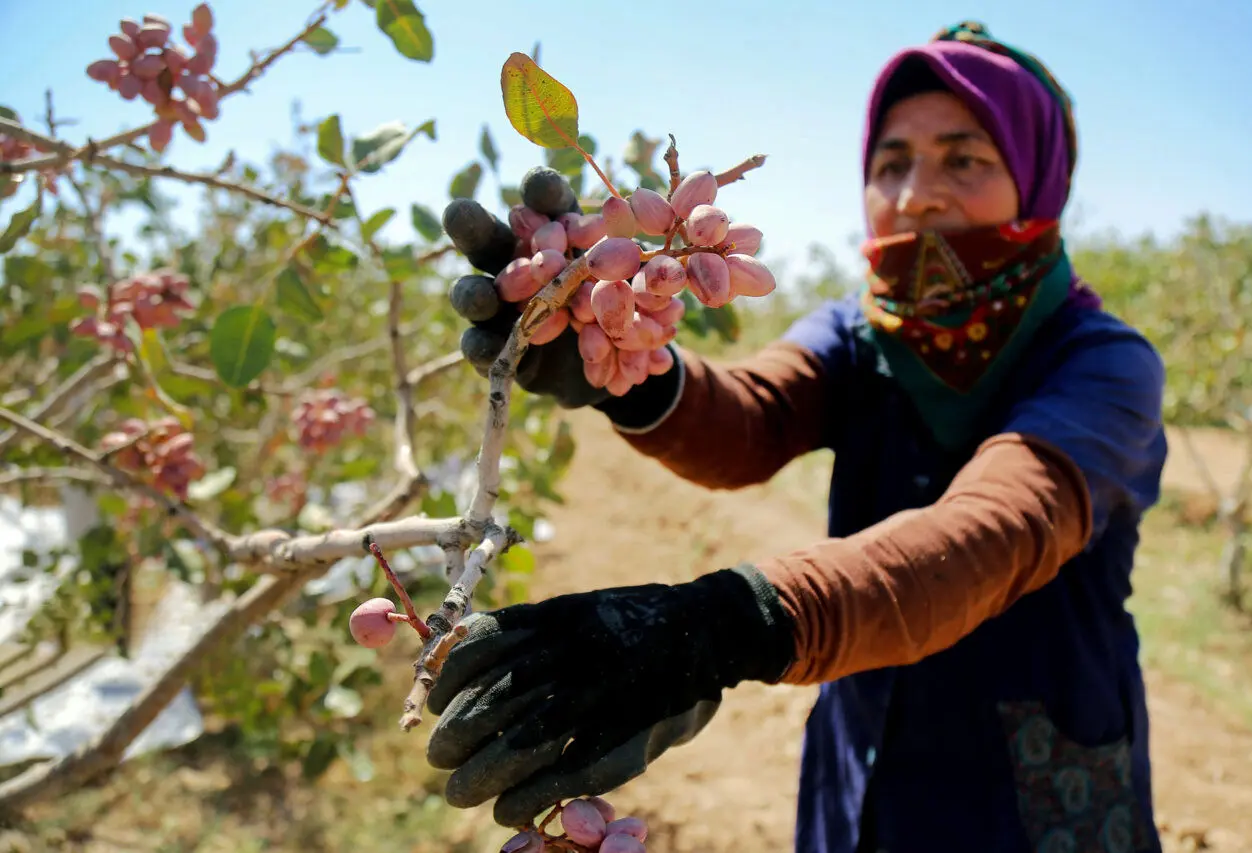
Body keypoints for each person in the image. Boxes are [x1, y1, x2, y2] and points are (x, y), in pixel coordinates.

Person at [426, 20, 1169, 853]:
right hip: (868, 750)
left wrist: (727, 623)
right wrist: (622, 371)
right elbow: (753, 417)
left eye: (965, 159)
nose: (917, 191)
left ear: (1037, 181)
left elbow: (995, 531)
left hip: (1035, 786)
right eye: (891, 162)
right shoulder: (861, 331)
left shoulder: (1104, 363)